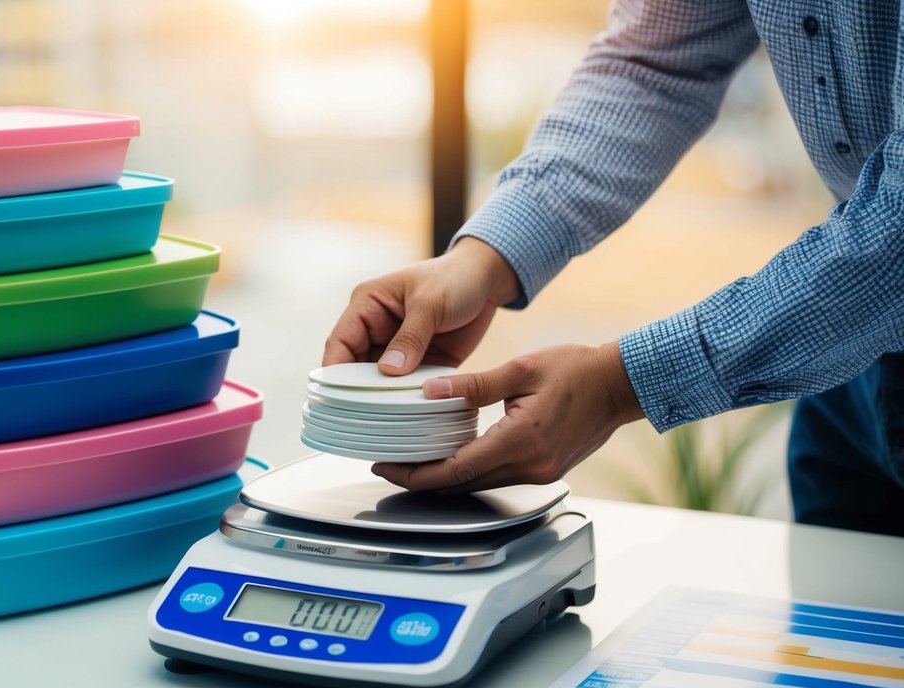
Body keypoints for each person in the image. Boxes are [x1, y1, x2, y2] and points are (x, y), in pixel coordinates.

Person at [322, 0, 904, 537]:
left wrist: (614, 385)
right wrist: (483, 257)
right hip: (846, 365)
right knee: (837, 636)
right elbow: (656, 64)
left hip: (851, 309)